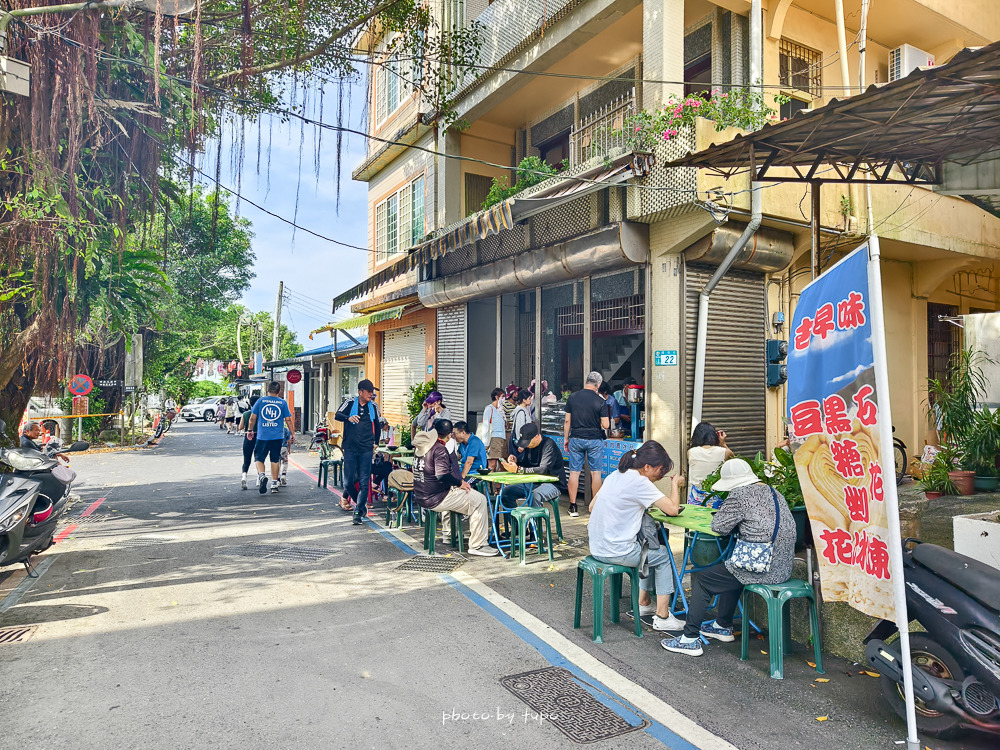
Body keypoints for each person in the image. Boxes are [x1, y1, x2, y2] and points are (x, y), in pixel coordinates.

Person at [661, 458, 795, 658]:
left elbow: (719, 527)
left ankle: (689, 638)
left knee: (705, 580)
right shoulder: (774, 492)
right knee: (731, 568)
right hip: (783, 568)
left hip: (760, 566)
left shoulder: (740, 495)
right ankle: (722, 625)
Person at [588, 440, 686, 632]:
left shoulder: (615, 475)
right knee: (663, 556)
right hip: (616, 550)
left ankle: (643, 602)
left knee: (647, 549)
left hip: (597, 547)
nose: (661, 476)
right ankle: (663, 616)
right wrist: (676, 485)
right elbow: (673, 509)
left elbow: (592, 507)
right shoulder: (640, 482)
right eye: (660, 470)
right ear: (647, 467)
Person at [412, 419, 498, 556]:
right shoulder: (439, 449)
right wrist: (460, 483)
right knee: (480, 500)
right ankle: (478, 545)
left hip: (422, 495)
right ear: (448, 435)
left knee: (458, 496)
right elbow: (442, 475)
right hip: (437, 497)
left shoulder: (422, 447)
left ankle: (448, 535)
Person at [334, 379, 381, 525]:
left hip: (366, 448)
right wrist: (348, 418)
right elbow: (337, 415)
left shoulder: (373, 406)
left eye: (373, 392)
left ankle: (358, 512)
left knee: (364, 481)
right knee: (348, 482)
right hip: (350, 447)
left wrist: (376, 443)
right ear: (360, 392)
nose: (371, 394)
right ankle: (359, 504)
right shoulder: (349, 403)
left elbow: (377, 426)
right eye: (368, 392)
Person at [563, 371, 610, 517]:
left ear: (586, 381)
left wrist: (566, 439)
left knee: (574, 472)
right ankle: (595, 507)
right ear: (599, 385)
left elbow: (567, 421)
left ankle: (573, 506)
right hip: (595, 439)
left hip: (576, 438)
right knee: (596, 473)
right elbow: (606, 425)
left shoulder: (573, 397)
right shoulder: (600, 401)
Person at [499, 423, 564, 510]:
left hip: (553, 483)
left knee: (535, 495)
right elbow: (526, 464)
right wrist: (516, 461)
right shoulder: (529, 447)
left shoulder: (549, 445)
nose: (527, 445)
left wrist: (518, 470)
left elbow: (543, 469)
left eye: (528, 442)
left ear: (537, 437)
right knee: (505, 492)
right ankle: (518, 522)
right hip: (533, 482)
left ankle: (536, 523)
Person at [247, 381, 294, 495]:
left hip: (262, 436)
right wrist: (292, 433)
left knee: (258, 458)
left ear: (267, 390)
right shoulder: (282, 403)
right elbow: (288, 419)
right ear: (279, 391)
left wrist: (250, 430)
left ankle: (262, 476)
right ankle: (274, 484)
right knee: (274, 459)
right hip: (277, 436)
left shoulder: (261, 401)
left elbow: (253, 418)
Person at [686, 422, 734, 507]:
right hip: (716, 497)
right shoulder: (724, 452)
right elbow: (736, 462)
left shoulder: (691, 452)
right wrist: (723, 444)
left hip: (696, 498)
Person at [482, 388, 507, 470]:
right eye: (502, 396)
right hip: (494, 438)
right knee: (492, 464)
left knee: (503, 464)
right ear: (497, 397)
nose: (504, 399)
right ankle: (492, 483)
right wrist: (485, 443)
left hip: (502, 438)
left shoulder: (501, 410)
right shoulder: (489, 409)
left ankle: (500, 483)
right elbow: (486, 426)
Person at [239, 395, 260, 490]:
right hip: (259, 437)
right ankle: (259, 479)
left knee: (246, 460)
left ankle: (244, 476)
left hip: (248, 437)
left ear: (249, 403)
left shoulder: (246, 414)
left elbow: (240, 427)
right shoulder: (261, 414)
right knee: (259, 459)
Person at [508, 389, 533, 457]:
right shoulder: (521, 412)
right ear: (524, 400)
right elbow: (520, 428)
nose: (531, 401)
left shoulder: (521, 410)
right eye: (529, 399)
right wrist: (521, 444)